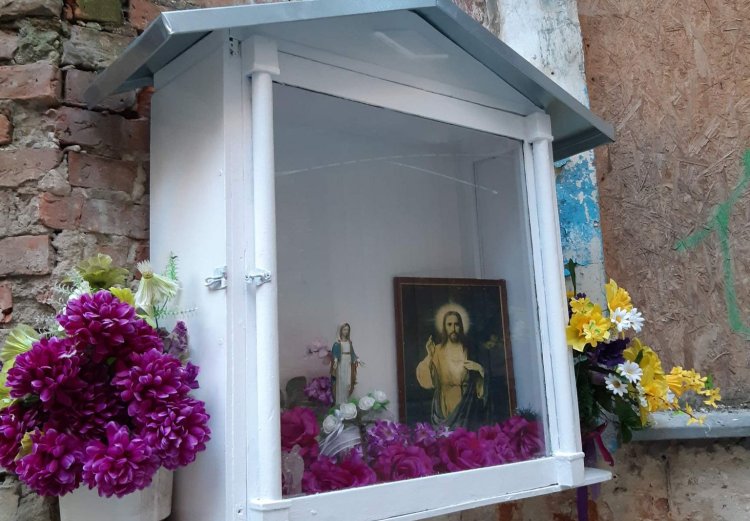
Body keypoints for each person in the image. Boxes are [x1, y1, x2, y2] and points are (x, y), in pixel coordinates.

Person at [416, 310, 488, 429]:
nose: (453, 329)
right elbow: (426, 381)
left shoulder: (470, 350)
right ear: (444, 327)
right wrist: (430, 355)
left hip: (467, 406)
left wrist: (480, 369)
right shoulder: (437, 350)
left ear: (461, 326)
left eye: (456, 324)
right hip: (445, 405)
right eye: (449, 324)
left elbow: (480, 387)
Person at [330, 323, 361, 404]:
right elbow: (334, 353)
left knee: (348, 382)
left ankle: (346, 402)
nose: (346, 331)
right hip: (341, 363)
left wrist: (357, 359)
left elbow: (352, 353)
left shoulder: (349, 342)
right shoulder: (337, 343)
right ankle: (339, 402)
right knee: (341, 381)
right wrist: (335, 360)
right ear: (340, 330)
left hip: (348, 363)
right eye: (344, 329)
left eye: (347, 330)